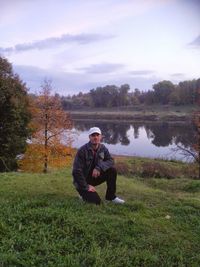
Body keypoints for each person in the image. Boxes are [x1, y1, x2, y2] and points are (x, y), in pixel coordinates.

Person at [72, 127, 125, 205]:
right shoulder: (82, 151)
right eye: (93, 135)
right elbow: (76, 172)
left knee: (112, 170)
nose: (95, 137)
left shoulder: (103, 148)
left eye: (97, 135)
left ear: (101, 137)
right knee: (97, 202)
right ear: (89, 137)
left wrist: (99, 167)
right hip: (82, 182)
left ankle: (111, 197)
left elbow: (110, 161)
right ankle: (82, 194)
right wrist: (86, 186)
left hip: (94, 177)